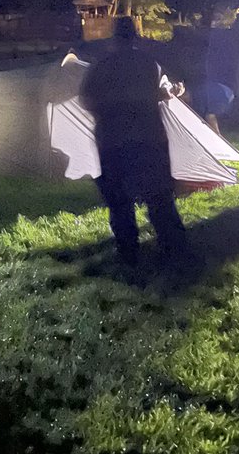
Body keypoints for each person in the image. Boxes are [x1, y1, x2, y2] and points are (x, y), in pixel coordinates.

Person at [80, 16, 188, 275]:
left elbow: (86, 98)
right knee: (159, 197)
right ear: (135, 37)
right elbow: (161, 92)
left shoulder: (101, 65)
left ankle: (128, 253)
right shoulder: (148, 64)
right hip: (148, 138)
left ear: (114, 37)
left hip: (113, 140)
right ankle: (174, 250)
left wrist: (105, 112)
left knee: (119, 202)